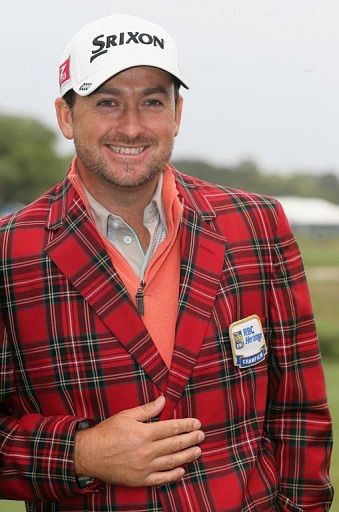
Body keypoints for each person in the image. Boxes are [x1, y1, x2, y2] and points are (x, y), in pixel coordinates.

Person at [0, 12, 333, 512]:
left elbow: (300, 414)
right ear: (66, 116)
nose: (132, 126)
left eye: (152, 101)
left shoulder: (257, 225)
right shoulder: (9, 252)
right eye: (107, 101)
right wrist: (79, 453)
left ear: (177, 114)